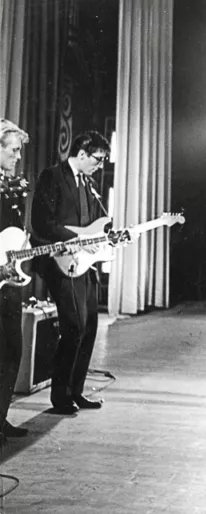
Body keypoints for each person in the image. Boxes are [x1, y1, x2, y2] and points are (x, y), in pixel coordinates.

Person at [31, 130, 110, 414]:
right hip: (59, 261)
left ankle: (76, 392)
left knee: (89, 327)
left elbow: (93, 224)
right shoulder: (52, 176)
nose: (99, 166)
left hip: (84, 262)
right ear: (81, 154)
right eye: (97, 160)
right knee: (73, 326)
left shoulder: (88, 184)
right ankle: (60, 395)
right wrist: (73, 239)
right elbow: (41, 222)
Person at [0, 119, 30, 441]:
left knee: (12, 351)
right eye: (13, 150)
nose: (18, 156)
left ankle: (0, 416)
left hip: (9, 282)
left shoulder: (15, 187)